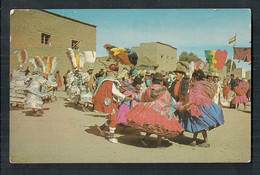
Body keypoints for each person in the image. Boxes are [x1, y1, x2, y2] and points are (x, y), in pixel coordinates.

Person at [124, 73, 184, 147]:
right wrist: (178, 106)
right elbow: (169, 101)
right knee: (160, 128)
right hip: (162, 111)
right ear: (161, 81)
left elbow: (141, 97)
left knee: (151, 125)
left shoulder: (149, 89)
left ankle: (145, 139)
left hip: (150, 108)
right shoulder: (164, 90)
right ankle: (158, 143)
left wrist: (132, 98)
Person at [175, 69, 224, 148]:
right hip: (205, 106)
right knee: (197, 123)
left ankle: (206, 141)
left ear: (195, 77)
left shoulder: (195, 85)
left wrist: (185, 106)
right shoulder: (206, 85)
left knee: (199, 124)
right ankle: (194, 140)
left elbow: (194, 98)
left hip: (196, 107)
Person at [93, 63, 132, 143]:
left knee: (112, 117)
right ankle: (111, 137)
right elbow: (114, 91)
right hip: (111, 102)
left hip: (113, 101)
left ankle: (102, 128)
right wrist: (125, 97)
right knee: (114, 118)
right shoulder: (109, 82)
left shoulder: (109, 81)